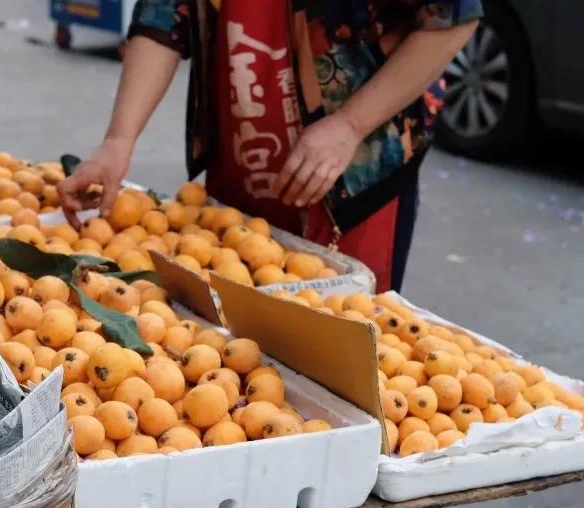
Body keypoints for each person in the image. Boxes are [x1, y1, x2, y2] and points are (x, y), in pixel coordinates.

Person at [58, 0, 482, 292]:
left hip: (354, 182)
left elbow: (453, 17)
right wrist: (119, 140)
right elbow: (166, 14)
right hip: (243, 157)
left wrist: (351, 123)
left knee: (340, 347)